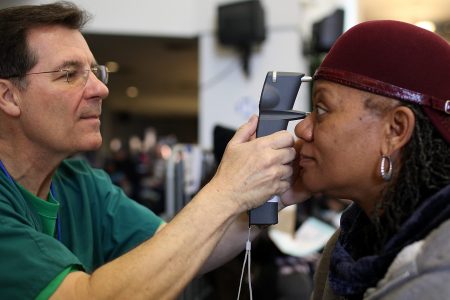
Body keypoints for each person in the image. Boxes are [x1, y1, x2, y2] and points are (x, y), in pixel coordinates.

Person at [0, 2, 301, 299]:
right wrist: (227, 191)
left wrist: (273, 194)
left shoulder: (80, 184)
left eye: (95, 72)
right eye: (69, 74)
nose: (100, 89)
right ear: (9, 96)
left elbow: (179, 250)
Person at [291, 20, 450, 299]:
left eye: (321, 108)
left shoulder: (439, 278)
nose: (302, 128)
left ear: (395, 129)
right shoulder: (348, 245)